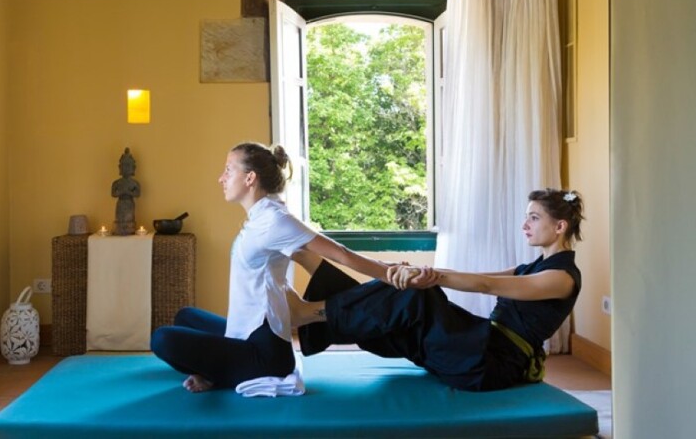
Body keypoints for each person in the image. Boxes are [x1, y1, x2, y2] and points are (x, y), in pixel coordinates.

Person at [150, 142, 399, 393]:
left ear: (250, 178)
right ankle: (219, 366)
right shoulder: (259, 216)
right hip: (244, 331)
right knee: (185, 316)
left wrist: (390, 272)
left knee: (162, 339)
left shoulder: (275, 220)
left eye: (228, 170)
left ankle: (217, 374)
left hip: (266, 354)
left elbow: (341, 254)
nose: (221, 178)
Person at [288, 188, 585, 391]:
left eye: (534, 218)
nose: (525, 225)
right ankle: (316, 279)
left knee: (415, 297)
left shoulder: (561, 278)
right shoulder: (533, 267)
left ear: (559, 227)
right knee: (397, 313)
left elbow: (486, 285)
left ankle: (313, 310)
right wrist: (423, 273)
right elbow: (475, 275)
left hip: (488, 364)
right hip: (478, 345)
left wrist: (424, 279)